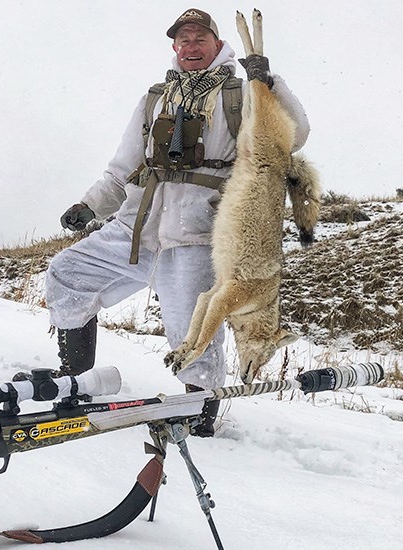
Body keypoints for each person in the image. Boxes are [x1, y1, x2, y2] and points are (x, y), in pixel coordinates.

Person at [42, 8, 310, 436]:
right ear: (174, 47)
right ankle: (76, 379)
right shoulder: (154, 98)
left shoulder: (241, 93)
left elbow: (293, 134)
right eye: (183, 40)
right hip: (136, 228)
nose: (191, 46)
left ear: (217, 45)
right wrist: (89, 206)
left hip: (198, 235)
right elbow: (122, 168)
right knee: (67, 272)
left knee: (192, 333)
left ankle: (198, 420)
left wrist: (269, 81)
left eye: (199, 38)